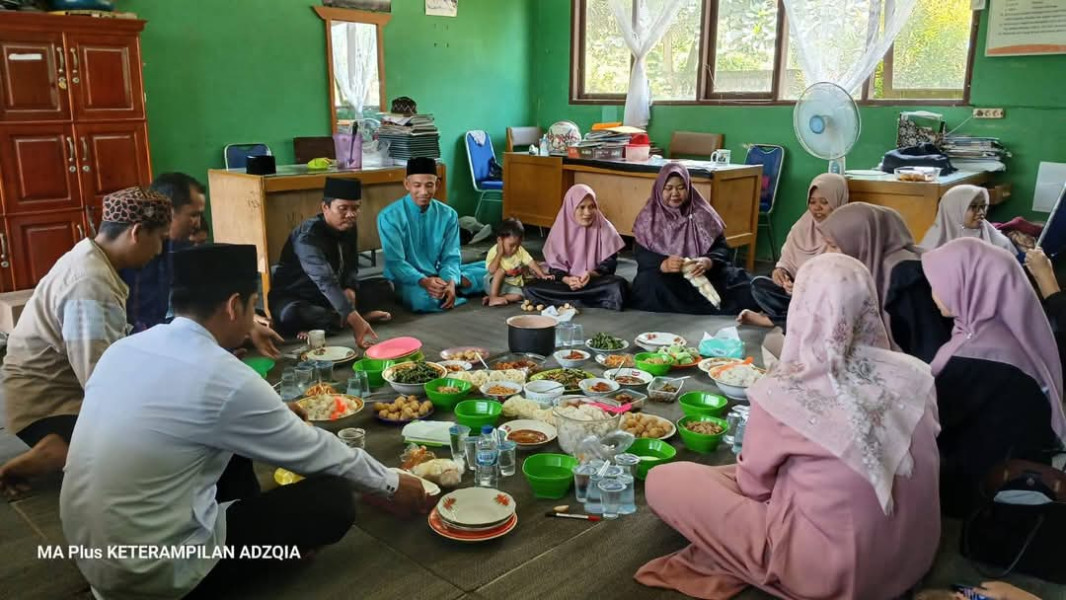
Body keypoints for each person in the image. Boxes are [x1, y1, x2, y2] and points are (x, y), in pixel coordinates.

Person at [60, 244, 432, 600]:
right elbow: (318, 452)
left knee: (228, 446)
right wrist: (391, 483)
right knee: (333, 499)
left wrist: (271, 411)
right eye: (254, 306)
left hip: (93, 556)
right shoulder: (223, 374)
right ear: (234, 305)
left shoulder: (125, 349)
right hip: (155, 574)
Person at [635, 253, 941, 599]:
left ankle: (768, 547)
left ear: (802, 308)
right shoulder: (914, 375)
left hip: (831, 572)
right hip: (910, 559)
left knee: (664, 480)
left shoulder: (786, 391)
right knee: (784, 471)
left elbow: (753, 488)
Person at [0, 187, 171, 496]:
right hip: (46, 405)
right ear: (136, 232)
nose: (159, 250)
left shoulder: (91, 259)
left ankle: (69, 445)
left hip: (56, 393)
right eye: (160, 238)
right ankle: (62, 451)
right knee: (160, 443)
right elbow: (99, 378)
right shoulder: (90, 285)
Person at [922, 238, 1065, 517]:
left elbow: (935, 424)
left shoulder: (972, 357)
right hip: (1023, 467)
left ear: (970, 286)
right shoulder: (1017, 331)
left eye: (939, 284)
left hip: (982, 489)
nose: (934, 293)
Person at [118, 173, 284, 359]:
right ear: (168, 211)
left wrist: (248, 324)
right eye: (193, 215)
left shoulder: (176, 247)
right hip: (140, 350)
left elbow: (203, 303)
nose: (197, 223)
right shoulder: (137, 254)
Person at [819, 202, 951, 363]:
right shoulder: (868, 266)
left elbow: (928, 345)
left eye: (833, 246)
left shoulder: (906, 277)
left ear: (862, 242)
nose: (827, 253)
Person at [269, 177, 390, 348]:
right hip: (298, 298)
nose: (350, 214)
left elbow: (351, 265)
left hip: (331, 295)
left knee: (385, 286)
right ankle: (353, 317)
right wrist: (355, 320)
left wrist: (350, 287)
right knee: (291, 315)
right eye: (343, 208)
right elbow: (325, 280)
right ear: (325, 207)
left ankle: (336, 319)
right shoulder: (307, 237)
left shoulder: (348, 226)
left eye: (355, 208)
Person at [629, 162, 757, 315]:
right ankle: (708, 304)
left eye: (681, 187)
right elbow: (641, 253)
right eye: (668, 188)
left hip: (703, 275)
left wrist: (707, 261)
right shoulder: (649, 217)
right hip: (668, 278)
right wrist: (664, 264)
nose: (675, 193)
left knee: (747, 288)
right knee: (646, 284)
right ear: (659, 189)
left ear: (689, 188)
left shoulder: (702, 213)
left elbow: (722, 249)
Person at [377, 157, 486, 313]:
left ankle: (454, 285)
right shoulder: (389, 217)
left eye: (429, 185)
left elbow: (451, 256)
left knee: (498, 268)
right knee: (423, 300)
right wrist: (424, 281)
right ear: (407, 184)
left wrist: (449, 281)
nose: (423, 192)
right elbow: (395, 263)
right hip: (407, 280)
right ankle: (462, 283)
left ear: (437, 185)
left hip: (438, 274)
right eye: (417, 185)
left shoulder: (448, 215)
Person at [742, 173, 849, 327]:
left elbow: (837, 281)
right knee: (759, 285)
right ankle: (791, 319)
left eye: (824, 202)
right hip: (795, 293)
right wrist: (781, 274)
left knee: (830, 305)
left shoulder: (846, 232)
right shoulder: (802, 226)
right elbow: (785, 262)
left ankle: (774, 320)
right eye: (812, 202)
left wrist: (804, 287)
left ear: (838, 201)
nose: (817, 208)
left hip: (821, 296)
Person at [524, 184, 629, 310]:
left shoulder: (603, 226)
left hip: (593, 281)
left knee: (618, 285)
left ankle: (568, 300)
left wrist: (591, 274)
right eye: (582, 207)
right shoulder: (560, 229)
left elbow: (610, 264)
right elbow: (554, 267)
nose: (587, 213)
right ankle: (589, 299)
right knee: (531, 288)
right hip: (565, 283)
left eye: (592, 207)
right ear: (570, 208)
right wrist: (567, 279)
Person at [920, 185, 1016, 254]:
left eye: (983, 206)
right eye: (973, 207)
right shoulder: (932, 244)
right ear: (954, 210)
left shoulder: (999, 244)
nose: (981, 212)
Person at [481, 218, 552, 306]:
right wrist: (499, 253)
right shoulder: (494, 251)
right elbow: (492, 270)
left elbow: (531, 263)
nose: (514, 249)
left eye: (517, 245)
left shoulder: (520, 251)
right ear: (500, 241)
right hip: (492, 284)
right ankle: (493, 297)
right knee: (500, 271)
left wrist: (542, 275)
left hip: (509, 286)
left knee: (520, 296)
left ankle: (493, 298)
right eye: (511, 245)